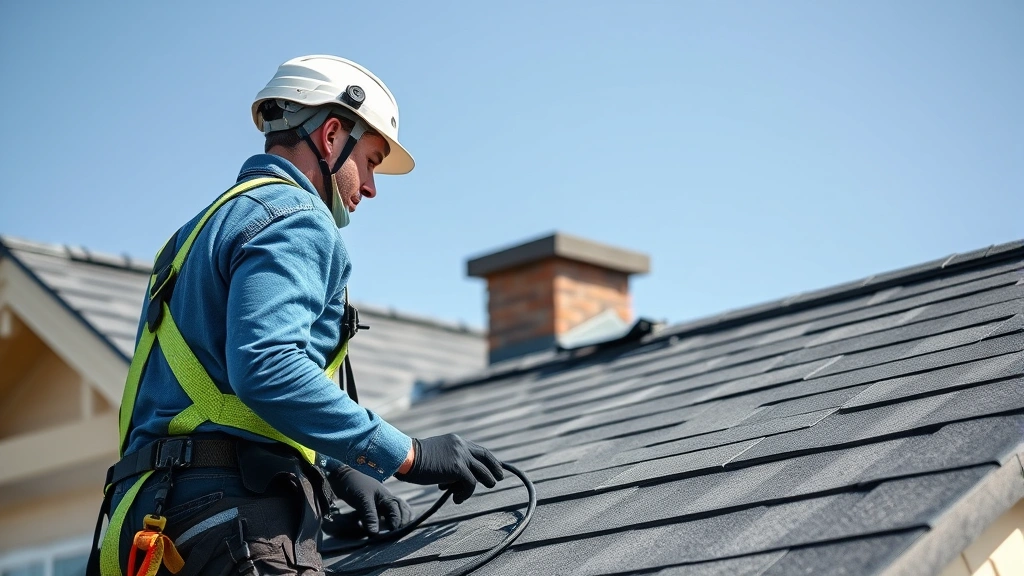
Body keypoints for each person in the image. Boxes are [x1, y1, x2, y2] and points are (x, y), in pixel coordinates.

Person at [88, 55, 503, 576]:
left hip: (146, 524)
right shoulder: (296, 218)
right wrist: (407, 454)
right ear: (331, 136)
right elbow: (267, 366)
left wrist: (339, 470)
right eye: (371, 161)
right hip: (232, 521)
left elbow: (214, 392)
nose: (370, 186)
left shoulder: (195, 234)